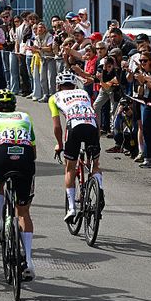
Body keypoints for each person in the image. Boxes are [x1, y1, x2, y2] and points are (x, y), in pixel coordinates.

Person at [0, 90, 37, 280]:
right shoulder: (25, 117)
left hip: (2, 154)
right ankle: (28, 260)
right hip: (25, 156)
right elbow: (34, 151)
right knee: (23, 212)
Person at [50, 72, 104, 221]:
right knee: (95, 164)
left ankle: (72, 208)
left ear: (58, 86)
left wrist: (60, 145)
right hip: (92, 126)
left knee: (70, 168)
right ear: (74, 85)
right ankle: (99, 189)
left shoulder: (54, 98)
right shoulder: (84, 93)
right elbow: (93, 114)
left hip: (74, 127)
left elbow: (57, 127)